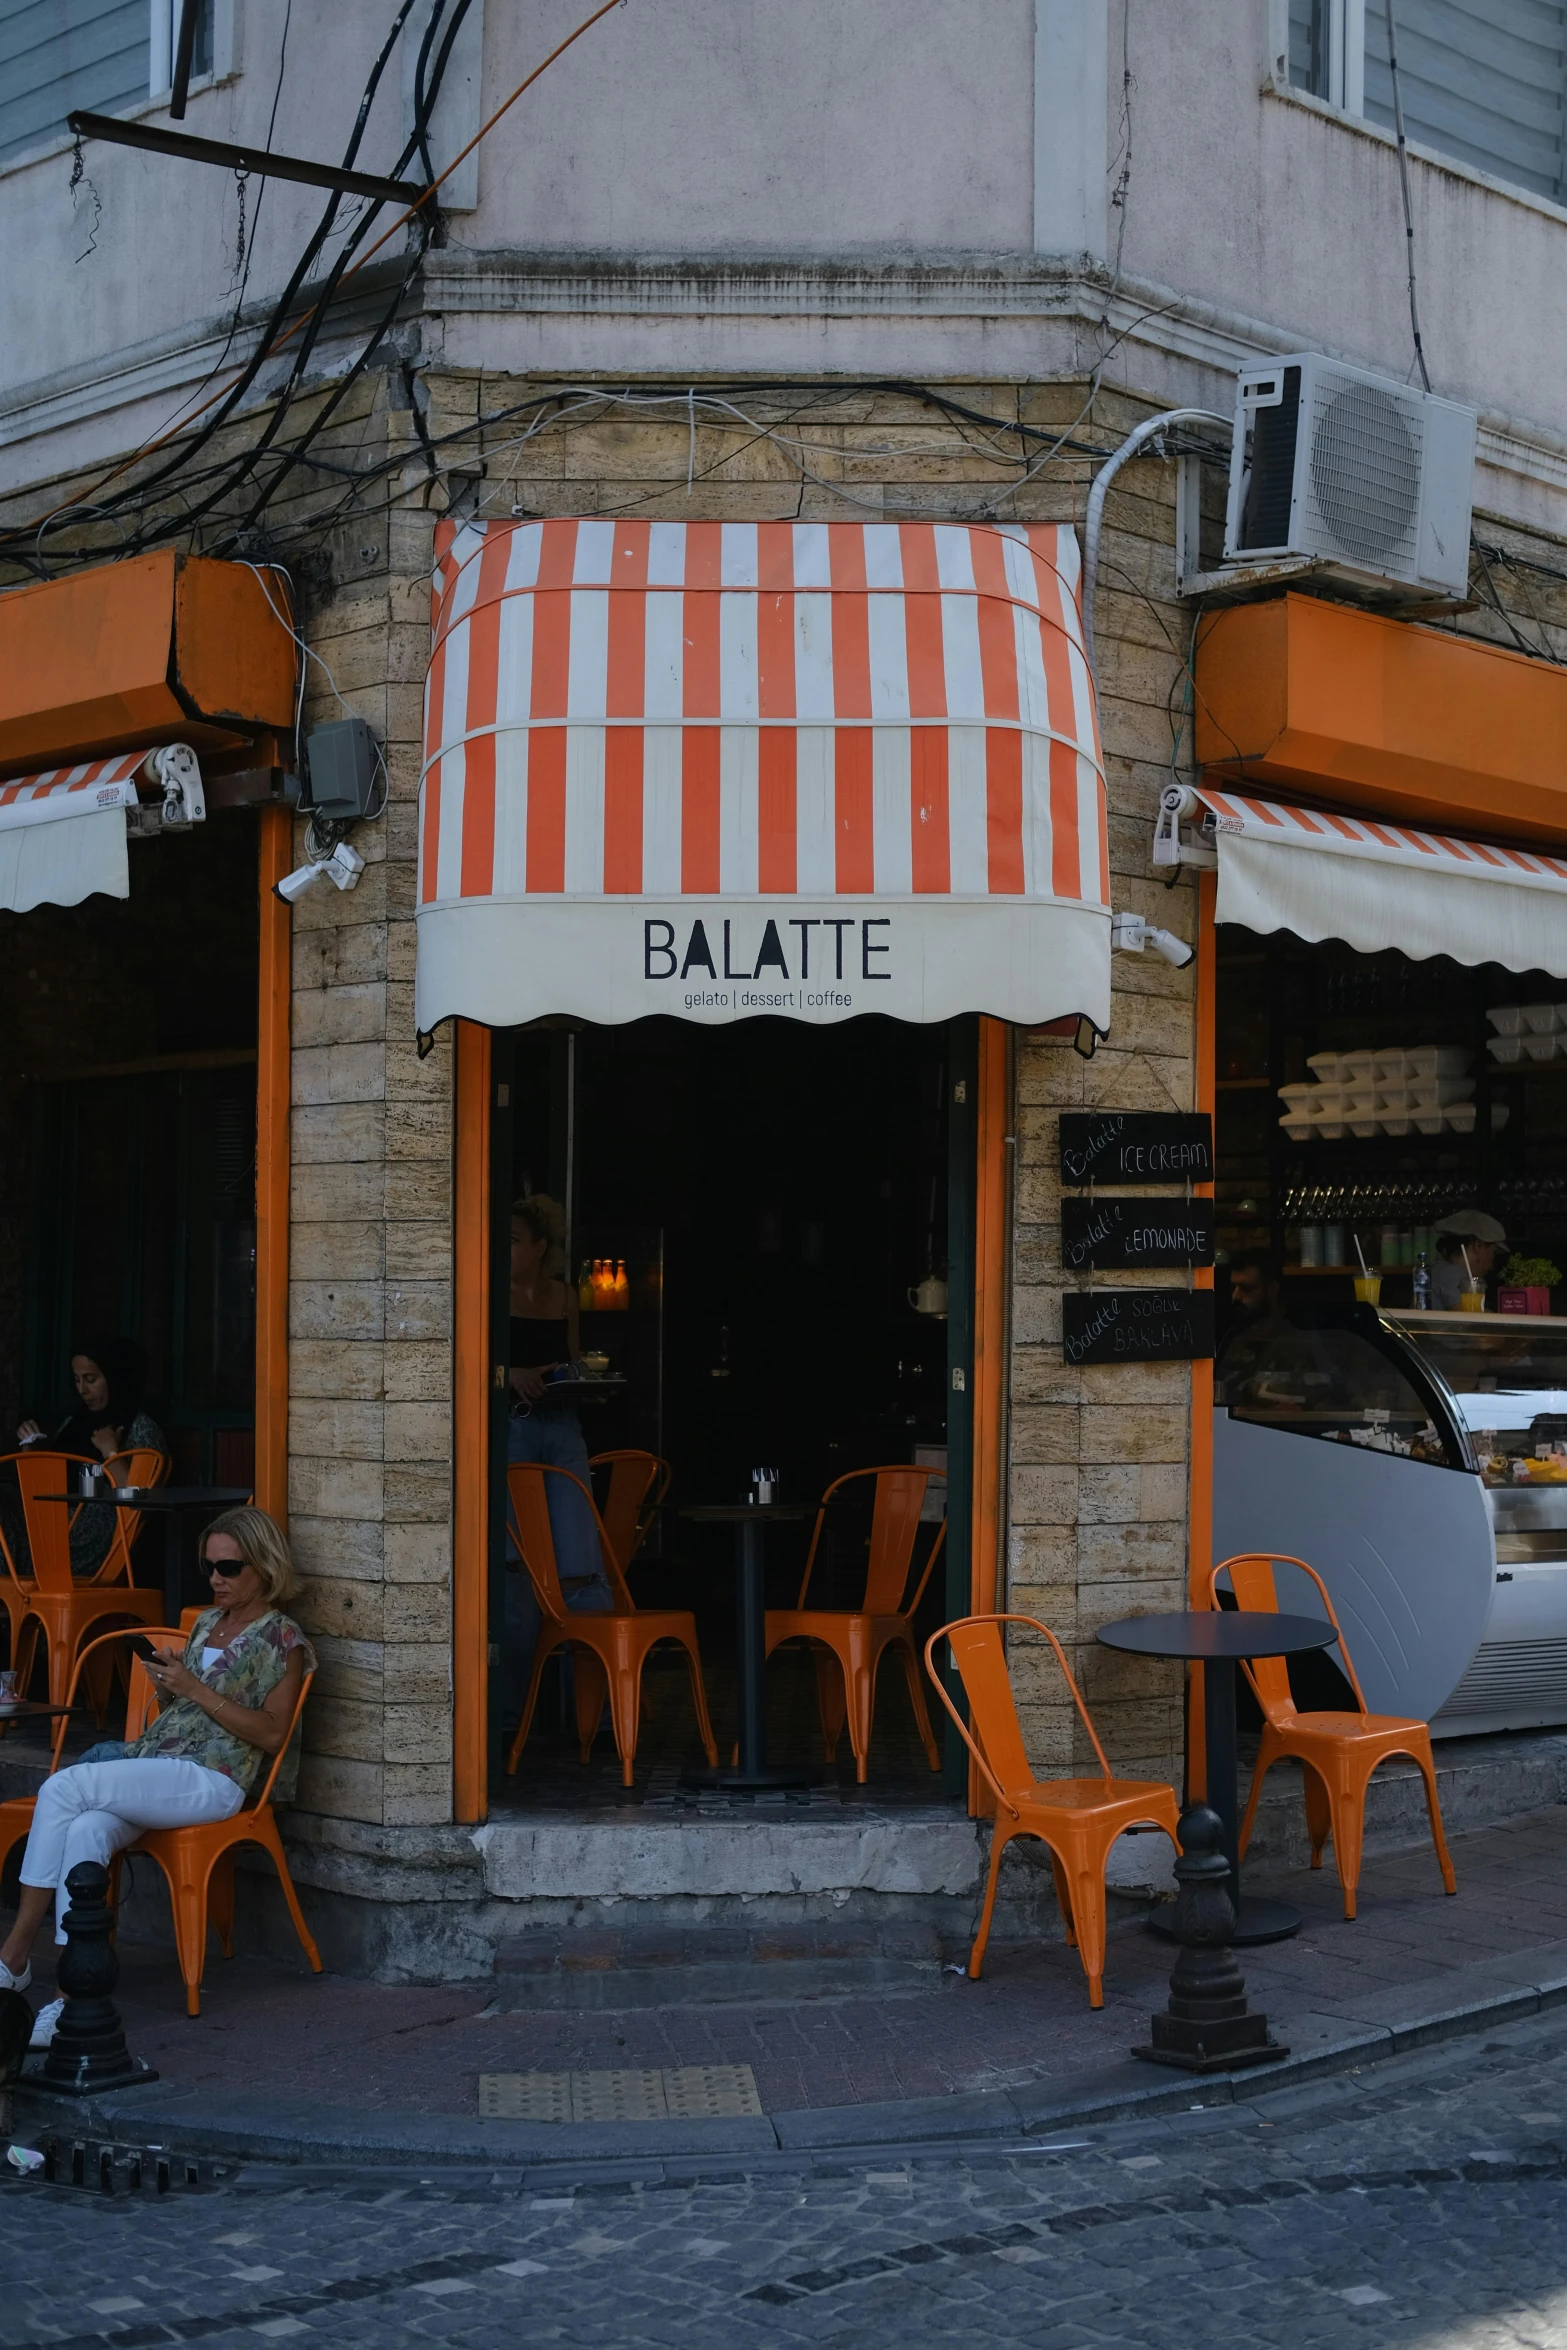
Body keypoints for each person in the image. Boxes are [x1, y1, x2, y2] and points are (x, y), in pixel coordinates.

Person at [0, 1506, 314, 2044]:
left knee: (63, 1787)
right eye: (208, 1566)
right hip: (161, 1763)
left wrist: (194, 1690)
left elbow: (270, 1735)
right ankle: (72, 1993)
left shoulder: (282, 1639)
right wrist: (170, 1686)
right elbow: (183, 1710)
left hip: (215, 1779)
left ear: (263, 1566)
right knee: (85, 1829)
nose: (215, 1578)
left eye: (228, 1567)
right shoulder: (208, 1623)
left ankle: (15, 1952)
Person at [502, 1194, 612, 1720]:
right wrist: (508, 1374)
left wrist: (583, 1383)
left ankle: (587, 1710)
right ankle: (514, 1712)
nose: (505, 1250)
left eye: (514, 1241)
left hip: (562, 1425)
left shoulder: (564, 1295)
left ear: (540, 1247)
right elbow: (469, 1362)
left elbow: (571, 1360)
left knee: (580, 1560)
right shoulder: (489, 1295)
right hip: (513, 1428)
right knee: (515, 1564)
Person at [11, 1337, 166, 1576]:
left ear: (116, 1378)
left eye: (91, 1379)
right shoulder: (74, 1423)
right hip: (54, 1526)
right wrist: (31, 1448)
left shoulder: (140, 1428)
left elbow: (141, 1503)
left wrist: (110, 1452)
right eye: (77, 1380)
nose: (82, 1390)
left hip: (95, 1536)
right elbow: (46, 1486)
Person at [1429, 1211, 1507, 1311]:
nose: (1491, 1266)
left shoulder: (1442, 1270)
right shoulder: (1453, 1274)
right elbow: (1469, 1320)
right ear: (1478, 1246)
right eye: (1493, 1252)